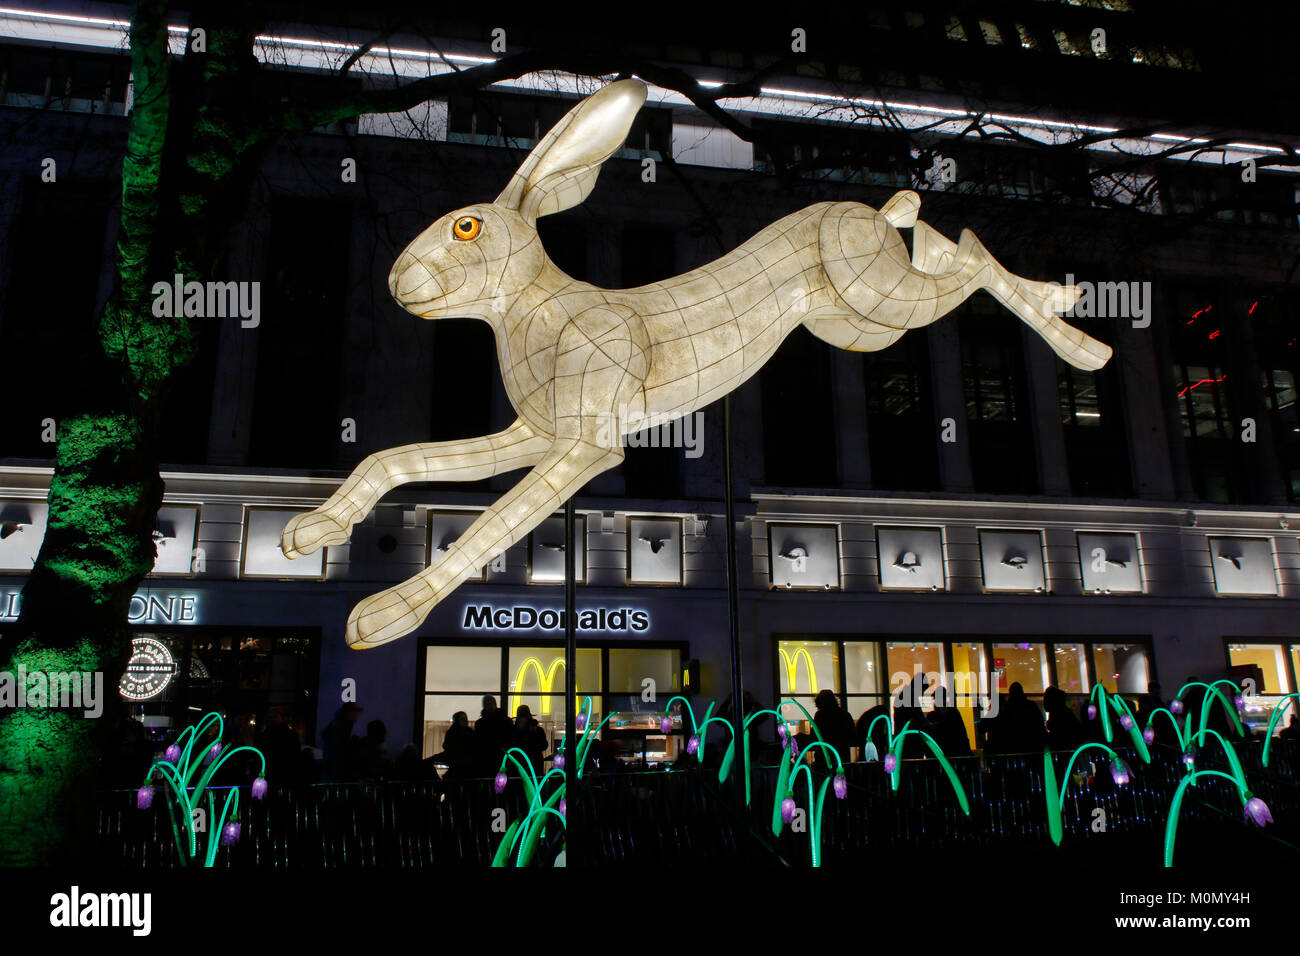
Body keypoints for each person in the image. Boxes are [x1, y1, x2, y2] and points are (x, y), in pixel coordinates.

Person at [985, 683, 1046, 754]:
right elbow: (1039, 725)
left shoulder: (1007, 708)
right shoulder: (1031, 706)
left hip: (1011, 748)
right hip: (1032, 747)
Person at [813, 689, 857, 769]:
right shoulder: (844, 714)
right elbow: (853, 734)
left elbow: (815, 735)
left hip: (823, 757)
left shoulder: (820, 715)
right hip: (842, 755)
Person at [320, 703, 363, 781]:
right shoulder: (340, 731)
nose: (357, 715)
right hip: (338, 779)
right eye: (355, 712)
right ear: (348, 714)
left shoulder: (336, 728)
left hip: (334, 778)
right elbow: (340, 755)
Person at [473, 695, 514, 776]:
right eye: (488, 704)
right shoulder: (506, 721)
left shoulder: (480, 723)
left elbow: (478, 742)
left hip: (487, 758)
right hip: (503, 756)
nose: (490, 706)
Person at [1043, 686, 1085, 751]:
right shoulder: (1064, 712)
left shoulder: (1058, 714)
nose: (1044, 702)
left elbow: (1059, 737)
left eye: (1046, 699)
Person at [513, 705, 549, 776]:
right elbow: (544, 745)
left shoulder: (514, 731)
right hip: (535, 766)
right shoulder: (537, 730)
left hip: (520, 767)